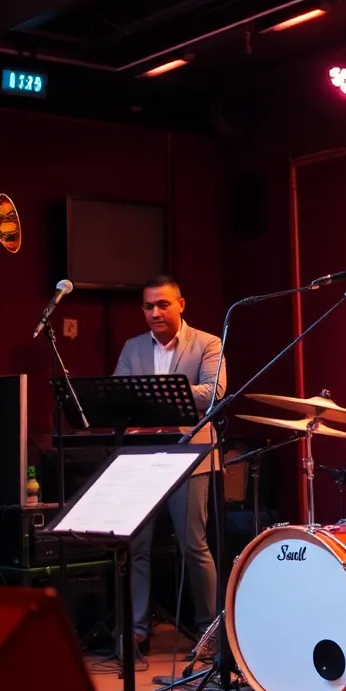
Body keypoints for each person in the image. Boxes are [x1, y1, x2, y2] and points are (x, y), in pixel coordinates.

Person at [115, 274, 226, 670]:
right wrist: (173, 393)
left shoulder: (209, 343)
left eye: (163, 304)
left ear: (181, 304)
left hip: (191, 456)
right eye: (148, 306)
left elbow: (212, 393)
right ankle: (137, 631)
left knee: (193, 546)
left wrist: (152, 392)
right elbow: (118, 395)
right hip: (142, 458)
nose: (155, 312)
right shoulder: (132, 347)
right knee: (136, 547)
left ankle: (209, 632)